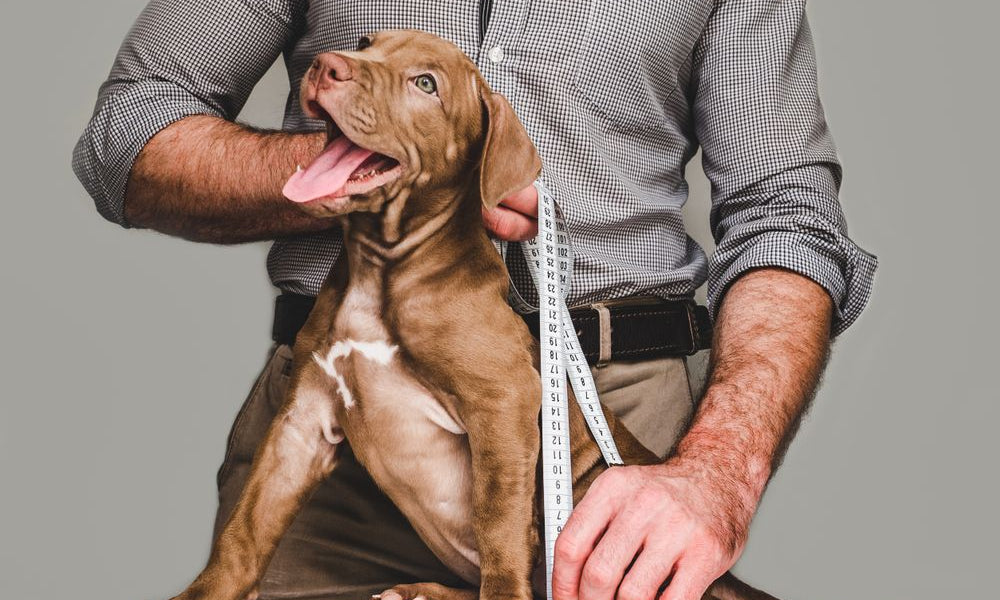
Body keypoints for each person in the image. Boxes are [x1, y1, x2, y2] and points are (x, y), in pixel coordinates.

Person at [72, 1, 876, 599]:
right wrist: (373, 166)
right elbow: (128, 133)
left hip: (605, 433)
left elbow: (786, 214)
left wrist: (719, 472)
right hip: (339, 417)